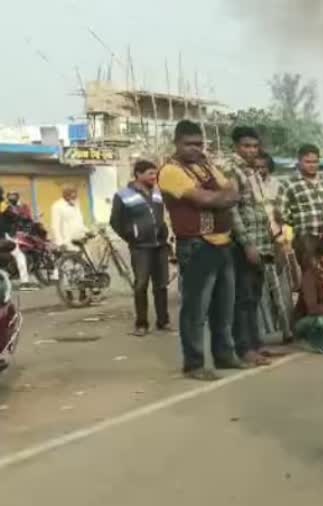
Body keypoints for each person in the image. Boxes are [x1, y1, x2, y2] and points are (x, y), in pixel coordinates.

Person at [158, 119, 243, 380]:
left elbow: (232, 191)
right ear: (177, 143)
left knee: (224, 307)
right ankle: (194, 364)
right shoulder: (171, 171)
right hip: (196, 245)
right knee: (196, 309)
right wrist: (223, 198)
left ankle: (224, 355)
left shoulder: (206, 166)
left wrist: (222, 197)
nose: (195, 149)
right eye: (189, 144)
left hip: (222, 241)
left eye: (199, 143)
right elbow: (208, 198)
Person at [223, 126, 283, 366]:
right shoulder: (231, 169)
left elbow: (261, 208)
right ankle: (244, 348)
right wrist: (247, 244)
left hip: (262, 242)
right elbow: (232, 209)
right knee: (244, 298)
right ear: (236, 146)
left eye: (254, 146)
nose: (250, 150)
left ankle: (256, 344)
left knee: (255, 298)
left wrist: (272, 241)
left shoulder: (253, 172)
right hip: (243, 245)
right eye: (246, 146)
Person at [110, 160, 172, 335]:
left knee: (161, 285)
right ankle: (141, 324)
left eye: (155, 173)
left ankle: (163, 321)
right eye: (151, 173)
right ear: (138, 174)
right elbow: (115, 221)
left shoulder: (158, 194)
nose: (154, 177)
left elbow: (160, 218)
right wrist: (132, 236)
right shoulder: (123, 195)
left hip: (160, 246)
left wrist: (165, 236)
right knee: (141, 285)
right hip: (140, 248)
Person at [280, 144, 323, 269]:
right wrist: (297, 222)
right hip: (304, 237)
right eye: (307, 162)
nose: (312, 165)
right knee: (309, 274)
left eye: (315, 161)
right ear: (299, 161)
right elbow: (280, 212)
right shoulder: (289, 184)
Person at [0, 190, 34, 289]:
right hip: (5, 237)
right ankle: (25, 282)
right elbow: (15, 217)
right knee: (19, 255)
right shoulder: (4, 206)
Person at [49, 186, 88, 250]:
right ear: (65, 196)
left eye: (75, 196)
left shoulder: (76, 203)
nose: (75, 198)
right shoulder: (57, 206)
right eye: (72, 196)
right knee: (71, 258)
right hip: (68, 242)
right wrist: (60, 243)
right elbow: (55, 226)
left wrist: (87, 231)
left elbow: (79, 222)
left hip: (80, 239)